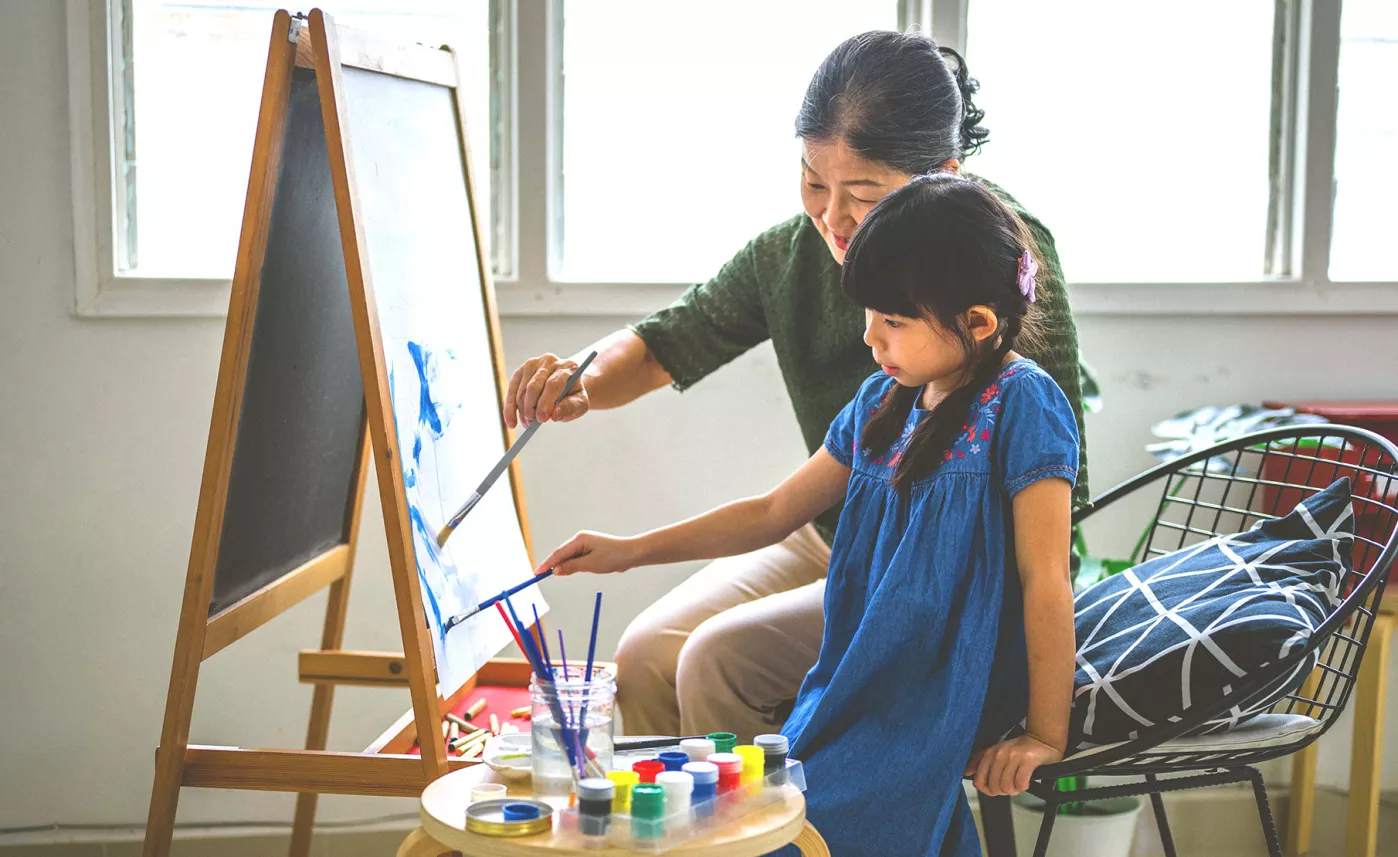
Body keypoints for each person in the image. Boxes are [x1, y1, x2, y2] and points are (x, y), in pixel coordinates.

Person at [504, 30, 1088, 742]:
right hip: (839, 525)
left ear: (943, 175)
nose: (831, 218)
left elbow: (1053, 512)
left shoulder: (1002, 257)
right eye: (814, 182)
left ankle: (763, 835)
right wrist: (581, 380)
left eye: (863, 195)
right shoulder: (795, 263)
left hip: (952, 564)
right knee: (646, 655)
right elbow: (671, 344)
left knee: (716, 661)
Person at [536, 174, 1078, 856]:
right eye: (870, 316)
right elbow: (772, 511)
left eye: (894, 321)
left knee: (812, 826)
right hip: (859, 676)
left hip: (942, 692)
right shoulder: (886, 398)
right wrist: (630, 548)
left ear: (978, 322)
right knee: (757, 811)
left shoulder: (1024, 403)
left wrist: (1044, 733)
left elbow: (1046, 579)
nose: (870, 337)